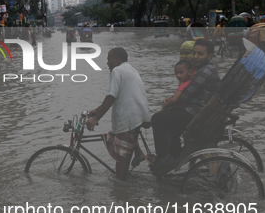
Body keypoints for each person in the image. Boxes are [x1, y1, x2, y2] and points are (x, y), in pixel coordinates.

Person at [150, 38, 220, 167]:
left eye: (200, 54)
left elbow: (184, 96)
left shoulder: (205, 71)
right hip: (198, 110)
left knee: (157, 118)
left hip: (196, 112)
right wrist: (172, 99)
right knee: (170, 119)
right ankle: (175, 155)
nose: (195, 57)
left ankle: (163, 156)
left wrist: (168, 103)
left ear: (210, 56)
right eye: (194, 53)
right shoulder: (204, 69)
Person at [86, 47, 151, 180]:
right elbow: (117, 96)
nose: (107, 63)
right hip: (139, 115)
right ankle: (138, 153)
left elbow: (111, 96)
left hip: (129, 119)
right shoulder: (130, 69)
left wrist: (95, 118)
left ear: (117, 59)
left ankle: (120, 191)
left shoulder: (117, 70)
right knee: (119, 137)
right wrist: (96, 110)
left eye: (109, 59)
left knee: (121, 159)